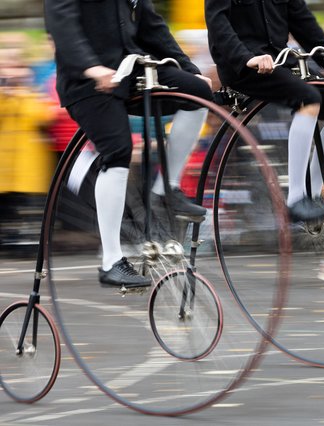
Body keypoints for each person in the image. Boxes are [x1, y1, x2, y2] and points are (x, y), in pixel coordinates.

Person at [44, 0, 214, 287]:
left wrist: (189, 69)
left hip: (131, 71)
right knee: (118, 150)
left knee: (197, 94)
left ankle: (166, 190)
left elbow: (152, 27)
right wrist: (91, 67)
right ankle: (111, 261)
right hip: (86, 82)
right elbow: (62, 25)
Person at [205, 0, 324, 223]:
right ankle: (296, 199)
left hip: (280, 60)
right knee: (308, 98)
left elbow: (301, 18)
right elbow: (218, 24)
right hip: (243, 65)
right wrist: (245, 58)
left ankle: (311, 194)